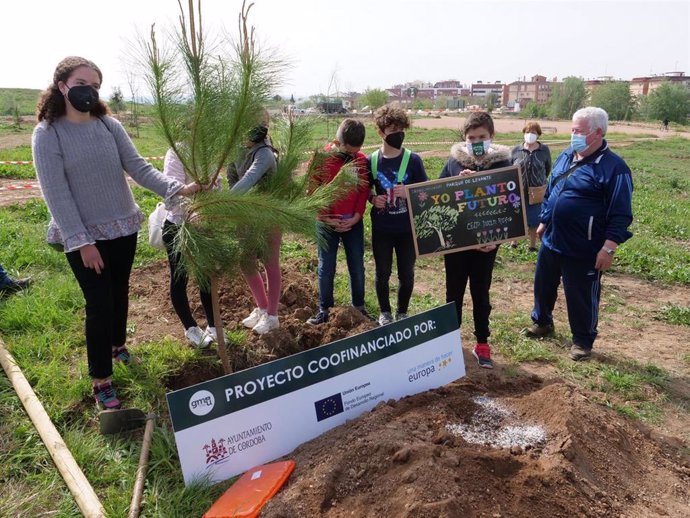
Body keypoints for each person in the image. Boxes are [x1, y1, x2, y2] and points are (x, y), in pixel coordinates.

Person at [32, 56, 198, 409]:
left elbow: (137, 167)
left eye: (94, 85)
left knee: (120, 292)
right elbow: (55, 193)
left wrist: (178, 188)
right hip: (83, 236)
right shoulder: (48, 134)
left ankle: (118, 346)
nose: (88, 91)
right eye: (81, 84)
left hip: (122, 226)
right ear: (62, 86)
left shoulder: (108, 125)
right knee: (99, 305)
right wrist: (82, 242)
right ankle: (101, 379)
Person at [524, 107, 633, 361]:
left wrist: (609, 247)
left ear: (597, 133)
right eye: (572, 130)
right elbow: (552, 191)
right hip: (552, 239)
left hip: (585, 247)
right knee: (543, 284)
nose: (573, 135)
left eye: (578, 131)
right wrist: (544, 220)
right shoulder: (565, 156)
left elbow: (621, 213)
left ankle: (582, 340)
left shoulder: (614, 168)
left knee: (581, 294)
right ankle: (542, 322)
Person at [439, 111, 512, 369]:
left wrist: (496, 240)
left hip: (485, 246)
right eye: (472, 137)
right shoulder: (453, 162)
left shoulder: (504, 165)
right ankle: (450, 343)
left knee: (481, 294)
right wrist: (454, 183)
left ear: (491, 136)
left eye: (482, 136)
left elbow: (509, 209)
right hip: (457, 246)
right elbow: (437, 193)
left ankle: (482, 343)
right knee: (453, 294)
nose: (477, 141)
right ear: (465, 138)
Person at [368, 105, 428, 326]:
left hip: (406, 229)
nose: (398, 134)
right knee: (382, 272)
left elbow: (426, 192)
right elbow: (366, 190)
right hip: (382, 228)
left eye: (401, 129)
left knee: (407, 272)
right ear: (381, 132)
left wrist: (410, 192)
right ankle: (385, 313)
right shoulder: (371, 161)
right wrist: (373, 199)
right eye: (393, 129)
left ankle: (402, 312)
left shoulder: (413, 160)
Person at [306, 119, 370, 325]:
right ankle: (325, 309)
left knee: (357, 265)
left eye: (355, 152)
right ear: (337, 141)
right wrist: (326, 218)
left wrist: (357, 216)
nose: (350, 156)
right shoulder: (321, 159)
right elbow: (313, 191)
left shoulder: (360, 160)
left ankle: (359, 307)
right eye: (347, 151)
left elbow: (363, 191)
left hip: (352, 222)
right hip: (326, 223)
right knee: (327, 266)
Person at [228, 110, 281, 334]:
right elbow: (232, 178)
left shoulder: (265, 154)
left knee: (270, 262)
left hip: (268, 216)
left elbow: (248, 180)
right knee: (246, 262)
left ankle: (272, 315)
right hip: (246, 216)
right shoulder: (241, 151)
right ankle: (261, 307)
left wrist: (221, 202)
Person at [161, 148, 216, 348]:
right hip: (178, 227)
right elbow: (172, 194)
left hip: (205, 225)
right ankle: (191, 328)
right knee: (179, 277)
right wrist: (193, 210)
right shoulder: (176, 152)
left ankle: (214, 325)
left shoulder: (210, 148)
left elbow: (216, 186)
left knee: (207, 277)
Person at [511, 121, 552, 251]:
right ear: (524, 133)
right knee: (517, 216)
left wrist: (539, 181)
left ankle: (532, 244)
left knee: (534, 218)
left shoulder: (543, 150)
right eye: (528, 132)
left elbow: (547, 169)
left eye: (533, 132)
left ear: (538, 135)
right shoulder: (516, 150)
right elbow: (510, 167)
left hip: (536, 190)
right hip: (518, 189)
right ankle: (514, 241)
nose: (530, 135)